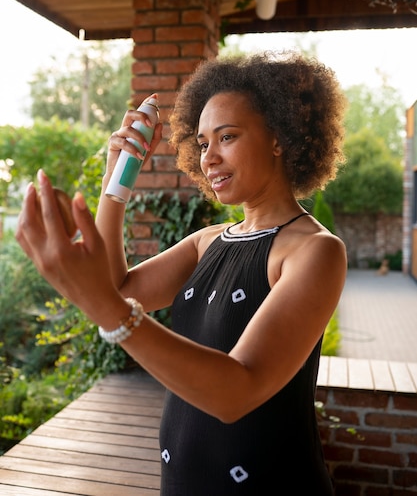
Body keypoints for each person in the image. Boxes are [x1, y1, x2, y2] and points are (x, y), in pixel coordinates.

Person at [16, 51, 347, 495]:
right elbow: (119, 286)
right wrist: (115, 184)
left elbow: (236, 391)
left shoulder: (314, 251)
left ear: (278, 138)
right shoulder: (208, 241)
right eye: (203, 142)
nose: (209, 156)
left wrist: (109, 310)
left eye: (227, 136)